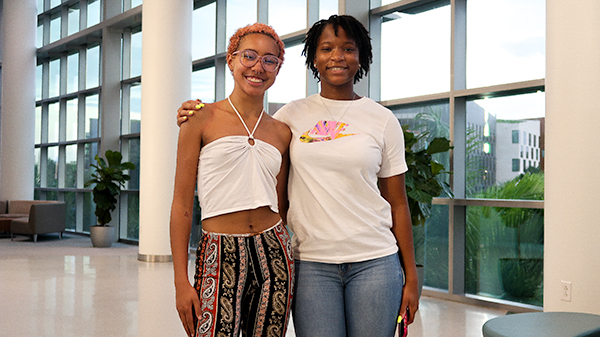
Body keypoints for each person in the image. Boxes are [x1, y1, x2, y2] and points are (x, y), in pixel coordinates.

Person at [178, 15, 419, 337]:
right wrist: (194, 112)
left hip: (374, 260)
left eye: (348, 49)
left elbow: (398, 204)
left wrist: (412, 278)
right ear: (313, 58)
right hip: (311, 261)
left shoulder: (382, 120)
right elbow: (271, 187)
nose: (337, 56)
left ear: (361, 57)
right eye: (327, 48)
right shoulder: (290, 117)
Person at [169, 23, 294, 337]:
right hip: (218, 251)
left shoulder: (281, 132)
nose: (258, 67)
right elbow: (182, 204)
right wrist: (180, 282)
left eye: (269, 60)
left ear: (278, 69)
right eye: (249, 56)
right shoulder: (199, 117)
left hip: (275, 253)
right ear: (231, 59)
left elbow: (282, 202)